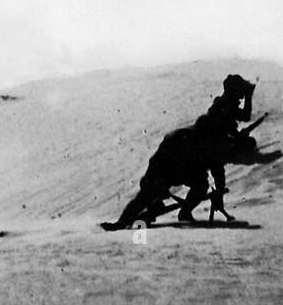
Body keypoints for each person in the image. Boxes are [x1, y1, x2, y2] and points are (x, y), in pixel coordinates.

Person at [103, 75, 256, 228]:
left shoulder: (220, 113)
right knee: (185, 185)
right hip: (180, 153)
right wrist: (219, 194)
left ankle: (133, 217)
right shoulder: (217, 129)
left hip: (177, 147)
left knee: (156, 189)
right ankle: (152, 211)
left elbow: (238, 121)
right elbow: (217, 166)